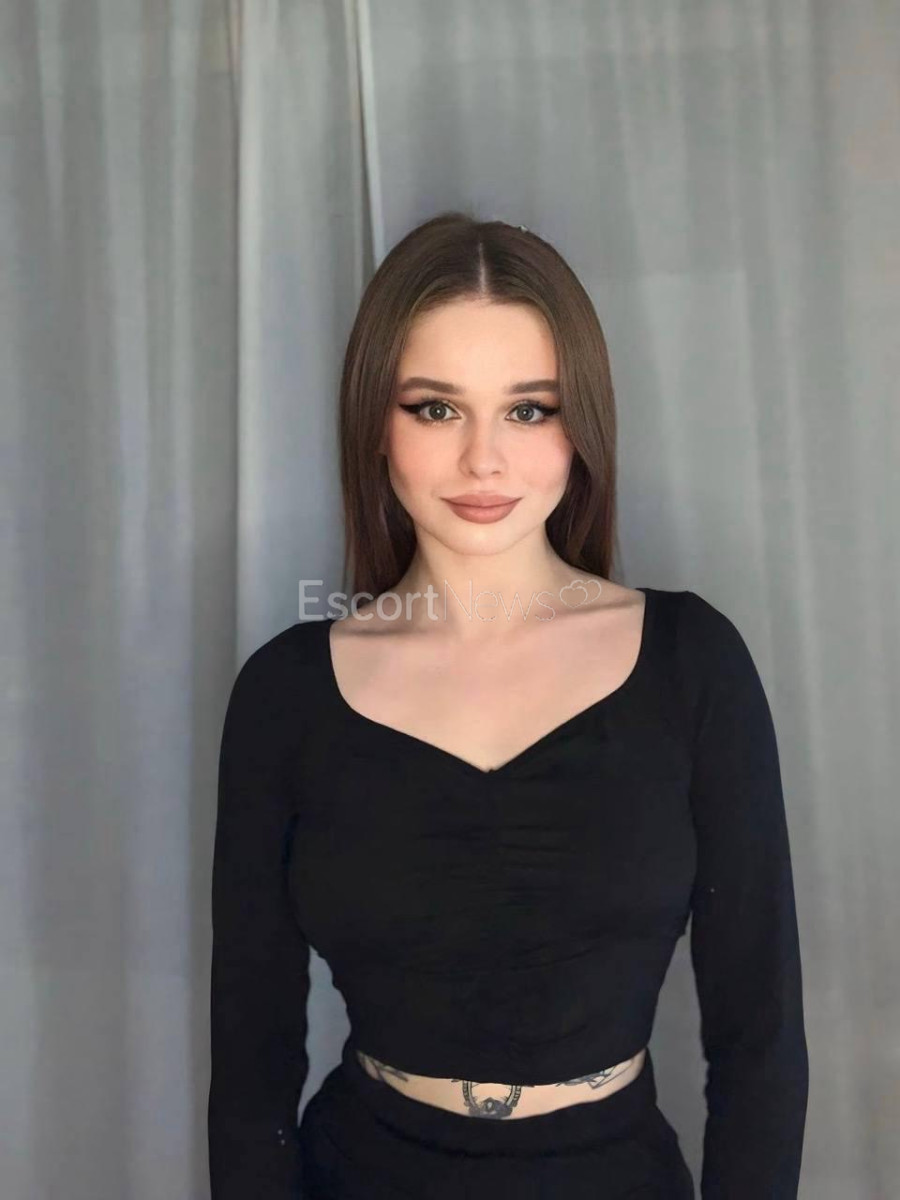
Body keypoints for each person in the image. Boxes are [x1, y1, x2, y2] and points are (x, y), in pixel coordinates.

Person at [207, 212, 809, 1198]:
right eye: (437, 409)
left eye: (528, 409)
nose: (483, 460)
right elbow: (250, 1065)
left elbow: (763, 1040)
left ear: (583, 426)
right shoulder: (286, 697)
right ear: (375, 424)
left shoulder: (693, 667)